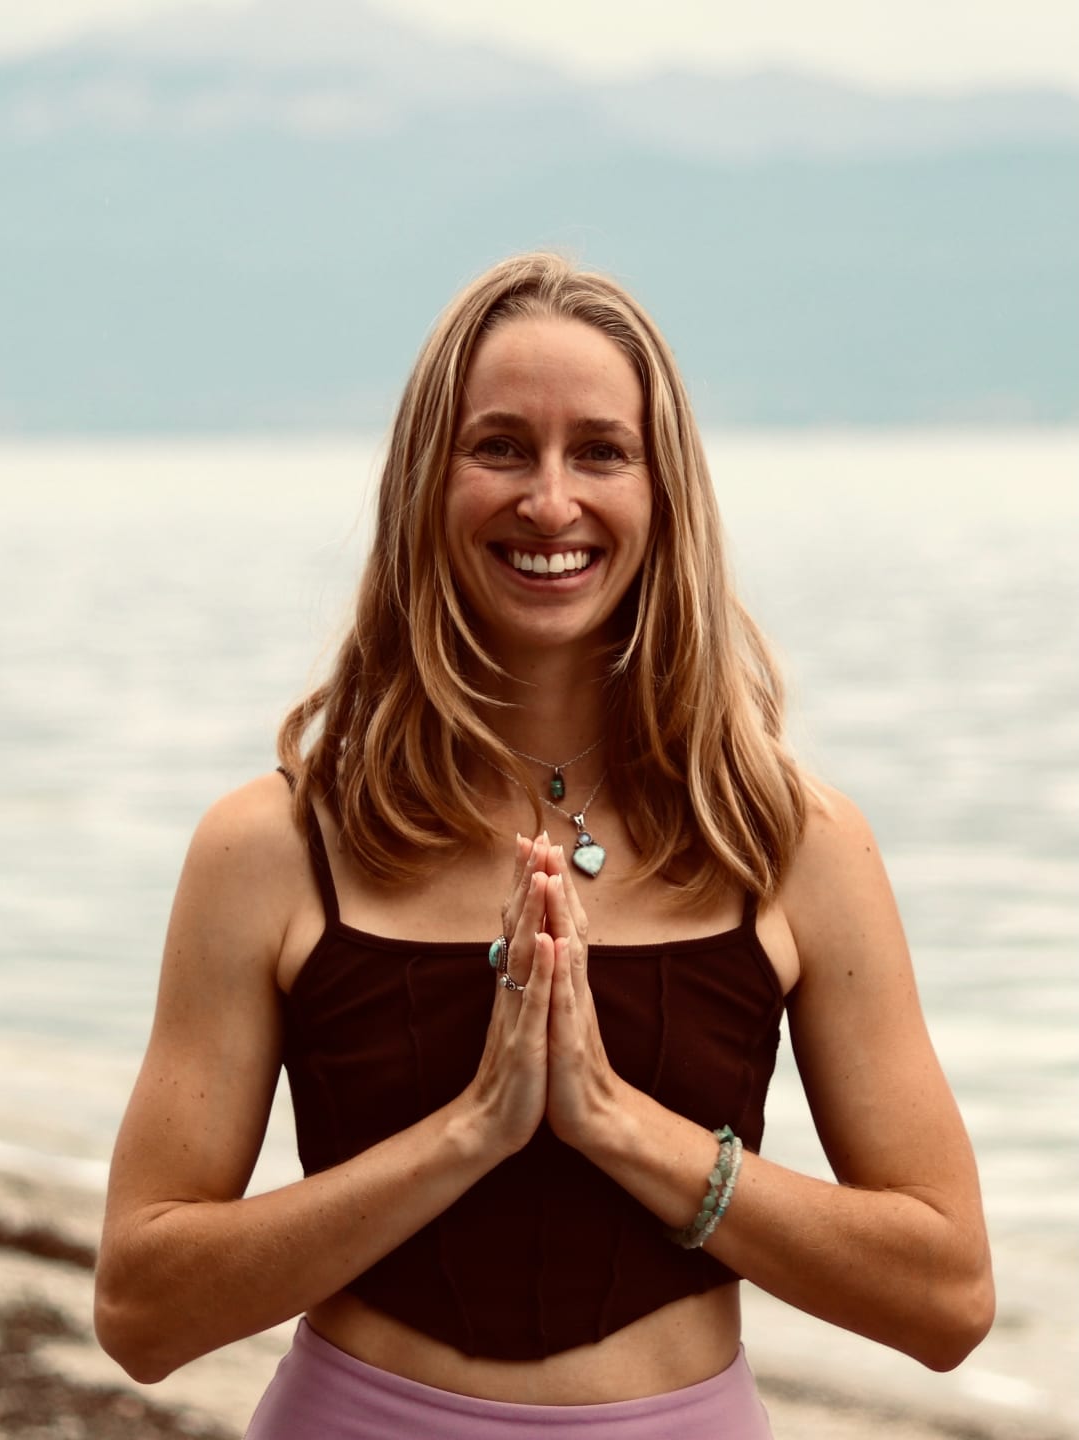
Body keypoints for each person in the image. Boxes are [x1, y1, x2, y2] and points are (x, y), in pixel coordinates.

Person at [94, 253, 994, 1438]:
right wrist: (470, 1132)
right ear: (426, 481)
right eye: (502, 447)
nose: (552, 503)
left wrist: (621, 1125)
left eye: (602, 452)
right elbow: (142, 1311)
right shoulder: (271, 846)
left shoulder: (790, 843)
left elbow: (947, 1298)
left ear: (665, 493)